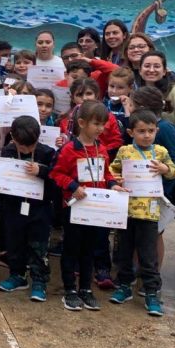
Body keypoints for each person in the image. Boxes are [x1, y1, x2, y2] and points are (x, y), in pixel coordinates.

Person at [50, 101, 122, 311]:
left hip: (95, 209)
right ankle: (70, 290)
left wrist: (113, 184)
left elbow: (105, 174)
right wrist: (73, 186)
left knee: (90, 249)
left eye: (103, 124)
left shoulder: (102, 149)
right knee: (72, 248)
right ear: (82, 123)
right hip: (74, 207)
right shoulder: (69, 149)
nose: (100, 128)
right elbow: (56, 173)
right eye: (96, 124)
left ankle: (85, 289)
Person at [108, 109, 175, 316]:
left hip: (149, 213)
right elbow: (112, 170)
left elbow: (174, 172)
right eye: (141, 131)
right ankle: (124, 286)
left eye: (150, 131)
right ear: (131, 132)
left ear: (156, 131)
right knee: (124, 253)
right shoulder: (125, 151)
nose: (146, 135)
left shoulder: (161, 152)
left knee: (148, 256)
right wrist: (115, 180)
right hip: (126, 211)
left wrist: (165, 170)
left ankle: (151, 293)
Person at [0, 115, 56, 301]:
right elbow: (2, 178)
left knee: (38, 245)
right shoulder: (8, 151)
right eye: (22, 146)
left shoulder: (47, 153)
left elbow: (56, 178)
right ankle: (17, 275)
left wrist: (41, 171)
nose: (27, 150)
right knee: (14, 242)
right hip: (14, 206)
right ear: (13, 138)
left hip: (39, 208)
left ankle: (39, 280)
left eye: (31, 145)